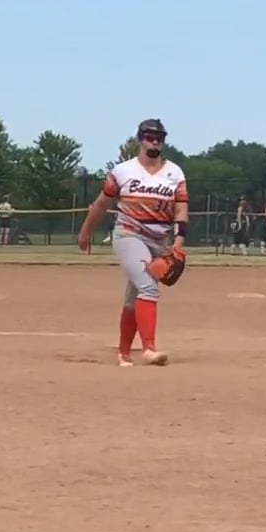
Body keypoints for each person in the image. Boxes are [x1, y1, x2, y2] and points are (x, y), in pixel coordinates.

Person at [78, 117, 187, 367]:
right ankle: (149, 348)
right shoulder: (123, 171)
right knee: (149, 288)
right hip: (129, 234)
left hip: (159, 240)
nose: (154, 141)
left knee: (133, 298)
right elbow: (101, 204)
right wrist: (85, 231)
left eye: (159, 137)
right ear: (140, 139)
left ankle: (124, 352)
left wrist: (179, 240)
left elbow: (181, 210)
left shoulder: (175, 173)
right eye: (149, 136)